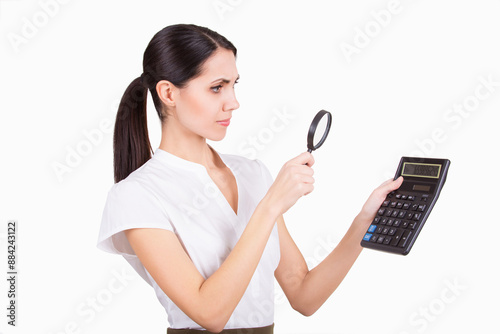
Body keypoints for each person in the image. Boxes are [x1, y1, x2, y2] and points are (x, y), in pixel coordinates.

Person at [96, 24, 403, 334]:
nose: (233, 101)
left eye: (234, 85)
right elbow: (210, 314)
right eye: (217, 87)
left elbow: (303, 295)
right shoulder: (136, 195)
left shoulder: (253, 173)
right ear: (168, 93)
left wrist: (365, 222)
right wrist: (269, 206)